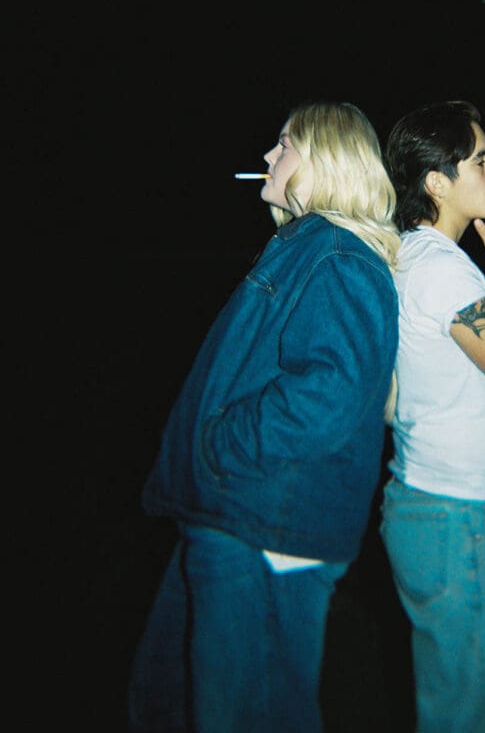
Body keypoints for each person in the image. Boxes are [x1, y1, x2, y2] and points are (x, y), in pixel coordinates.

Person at [127, 101, 401, 733]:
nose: (268, 156)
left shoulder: (338, 254)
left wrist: (223, 444)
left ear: (327, 158)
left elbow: (329, 393)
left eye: (285, 143)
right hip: (232, 512)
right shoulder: (305, 246)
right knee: (170, 700)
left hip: (265, 522)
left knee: (252, 714)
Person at [380, 100, 485, 733]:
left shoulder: (408, 257)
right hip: (463, 525)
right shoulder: (444, 270)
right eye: (480, 160)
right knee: (476, 717)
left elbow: (393, 398)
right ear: (437, 182)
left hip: (436, 512)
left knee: (456, 706)